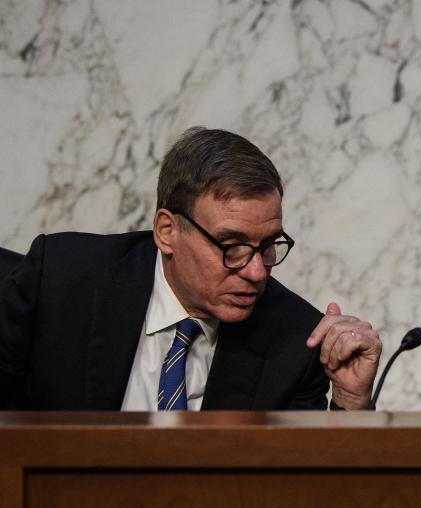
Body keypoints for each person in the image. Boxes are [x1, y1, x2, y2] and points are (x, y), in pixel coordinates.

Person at [0, 127, 382, 410]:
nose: (256, 272)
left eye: (267, 247)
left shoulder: (295, 340)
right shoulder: (62, 280)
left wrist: (350, 401)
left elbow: (308, 493)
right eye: (231, 247)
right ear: (167, 231)